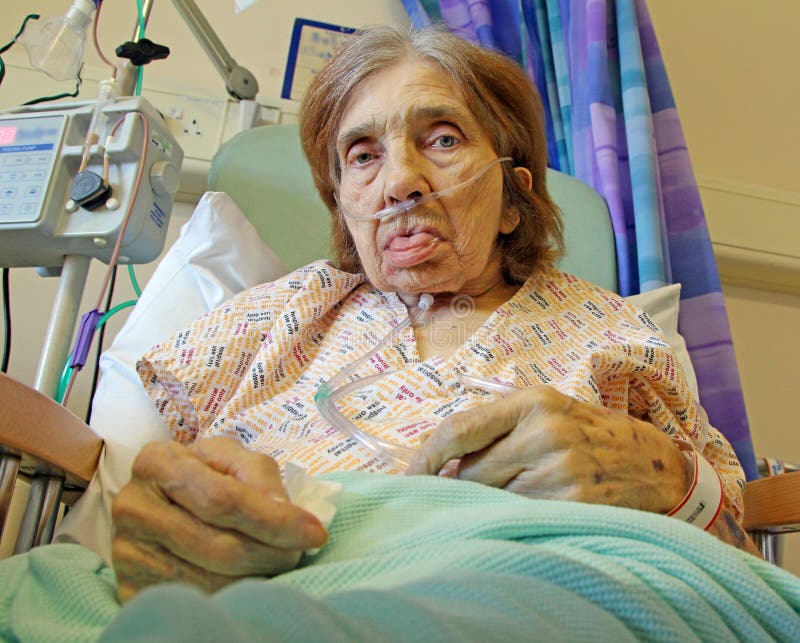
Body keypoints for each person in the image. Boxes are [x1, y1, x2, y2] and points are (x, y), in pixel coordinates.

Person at [111, 25, 757, 603]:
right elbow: (128, 479)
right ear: (344, 211)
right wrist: (149, 521)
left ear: (514, 199)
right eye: (363, 155)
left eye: (442, 138)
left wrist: (667, 476)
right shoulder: (278, 315)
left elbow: (744, 564)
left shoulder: (614, 334)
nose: (400, 182)